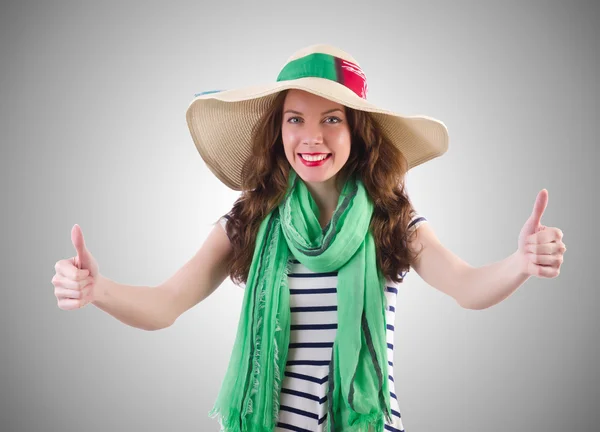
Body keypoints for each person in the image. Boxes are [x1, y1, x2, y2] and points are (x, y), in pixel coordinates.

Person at [52, 43, 566, 432]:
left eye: (332, 120)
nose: (311, 137)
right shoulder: (249, 221)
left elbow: (467, 286)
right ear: (279, 130)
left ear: (357, 132)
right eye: (295, 119)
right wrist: (99, 291)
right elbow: (166, 304)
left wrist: (518, 263)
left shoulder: (390, 219)